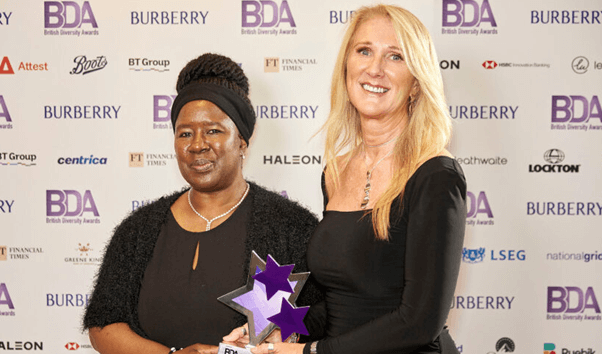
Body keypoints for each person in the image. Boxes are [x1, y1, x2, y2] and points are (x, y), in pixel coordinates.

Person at [242, 4, 466, 354]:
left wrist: (311, 352)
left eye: (395, 56)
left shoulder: (436, 175)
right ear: (346, 67)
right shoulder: (336, 171)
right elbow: (344, 303)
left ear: (417, 85)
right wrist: (277, 328)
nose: (374, 69)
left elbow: (419, 321)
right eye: (364, 51)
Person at [83, 53, 322, 354]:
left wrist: (286, 337)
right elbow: (104, 324)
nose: (197, 144)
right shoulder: (138, 230)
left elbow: (322, 322)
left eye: (213, 131)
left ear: (242, 142)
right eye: (185, 133)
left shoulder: (291, 227)